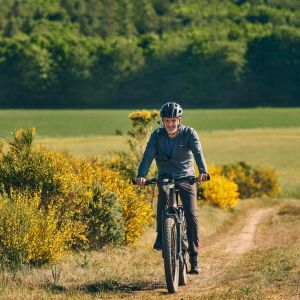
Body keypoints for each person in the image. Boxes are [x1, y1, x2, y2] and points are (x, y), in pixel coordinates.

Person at [136, 102, 210, 275]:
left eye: (173, 120)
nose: (170, 124)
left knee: (191, 215)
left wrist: (203, 172)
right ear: (162, 121)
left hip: (186, 177)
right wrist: (141, 175)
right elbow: (148, 155)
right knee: (162, 205)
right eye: (166, 120)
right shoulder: (157, 135)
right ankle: (162, 236)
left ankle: (194, 257)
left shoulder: (189, 133)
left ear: (179, 120)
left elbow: (198, 153)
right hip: (165, 177)